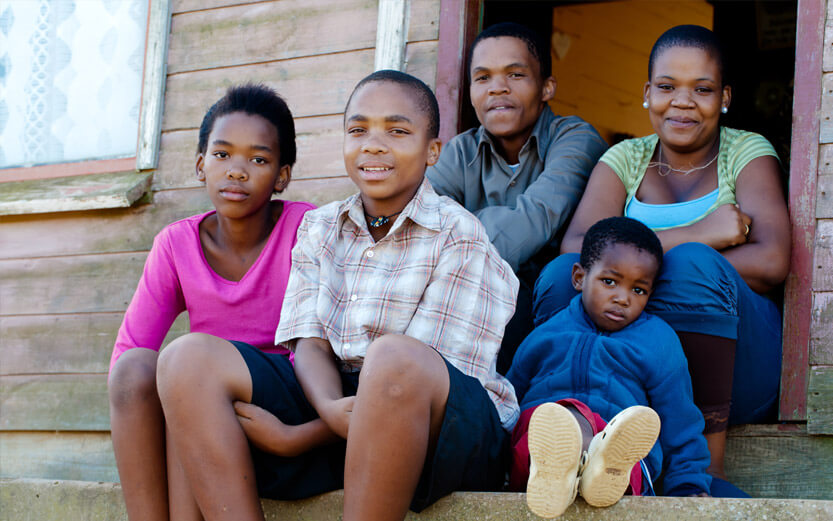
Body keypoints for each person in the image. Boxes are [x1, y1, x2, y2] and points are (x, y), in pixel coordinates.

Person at [154, 70, 520, 521]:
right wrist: (327, 408)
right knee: (184, 359)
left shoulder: (458, 233)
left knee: (392, 358)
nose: (373, 144)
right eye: (358, 130)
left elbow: (416, 379)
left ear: (432, 151)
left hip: (445, 429)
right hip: (341, 410)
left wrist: (296, 436)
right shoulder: (321, 226)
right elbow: (310, 341)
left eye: (398, 131)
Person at [533, 25, 791, 497]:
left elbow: (773, 261)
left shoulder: (746, 152)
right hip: (638, 362)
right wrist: (697, 233)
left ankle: (704, 476)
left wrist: (673, 262)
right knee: (558, 277)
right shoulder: (624, 159)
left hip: (738, 367)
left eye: (703, 89)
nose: (683, 101)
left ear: (725, 97)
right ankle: (568, 434)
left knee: (694, 266)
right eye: (668, 87)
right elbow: (576, 249)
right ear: (647, 94)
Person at [107, 84, 314, 521]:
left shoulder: (307, 229)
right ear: (201, 165)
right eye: (222, 155)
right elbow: (130, 353)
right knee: (134, 370)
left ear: (282, 175)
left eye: (258, 159)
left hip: (287, 403)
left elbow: (334, 350)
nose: (237, 171)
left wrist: (307, 432)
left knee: (188, 366)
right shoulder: (176, 245)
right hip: (201, 400)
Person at [426, 22, 608, 373]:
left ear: (546, 88)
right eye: (483, 78)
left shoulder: (574, 139)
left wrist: (451, 241)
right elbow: (417, 219)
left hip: (553, 301)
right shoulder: (460, 152)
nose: (497, 88)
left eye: (515, 74)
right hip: (473, 297)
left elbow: (534, 218)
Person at [508, 217, 711, 518]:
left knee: (621, 434)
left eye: (639, 290)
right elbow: (509, 400)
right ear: (579, 277)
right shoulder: (547, 334)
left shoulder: (657, 341)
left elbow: (680, 418)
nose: (622, 298)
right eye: (609, 282)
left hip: (622, 455)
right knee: (555, 419)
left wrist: (687, 485)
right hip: (540, 445)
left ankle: (597, 469)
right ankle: (570, 467)